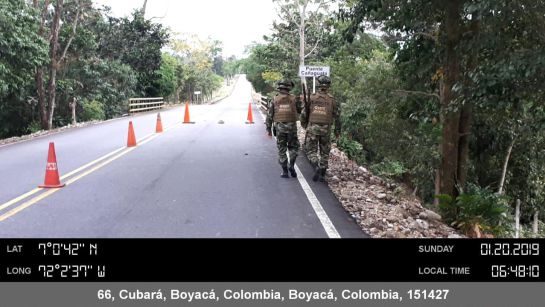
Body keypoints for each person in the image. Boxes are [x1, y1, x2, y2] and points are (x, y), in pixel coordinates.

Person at [300, 75, 341, 182]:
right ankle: (322, 173)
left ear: (318, 85)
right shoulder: (332, 100)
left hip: (312, 129)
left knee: (311, 150)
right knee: (325, 152)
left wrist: (305, 125)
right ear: (328, 86)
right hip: (326, 130)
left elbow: (304, 114)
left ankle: (316, 166)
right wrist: (337, 131)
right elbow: (337, 117)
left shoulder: (311, 98)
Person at [266, 79, 302, 178]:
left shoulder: (274, 99)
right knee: (293, 147)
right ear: (289, 88)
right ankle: (291, 165)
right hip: (292, 129)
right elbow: (300, 110)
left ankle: (285, 171)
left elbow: (269, 115)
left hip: (279, 129)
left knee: (282, 149)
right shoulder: (295, 99)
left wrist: (268, 129)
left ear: (280, 88)